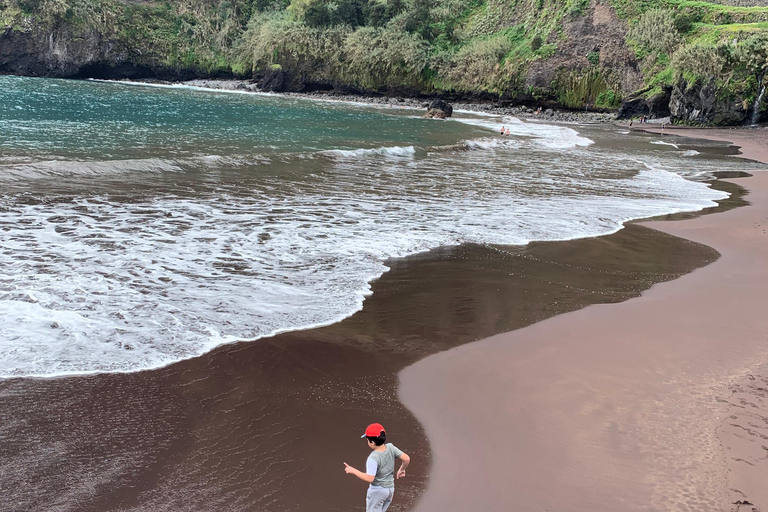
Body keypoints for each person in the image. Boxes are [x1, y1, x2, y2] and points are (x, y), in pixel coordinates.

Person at [344, 423, 410, 512]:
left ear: (372, 442)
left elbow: (370, 478)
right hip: (390, 489)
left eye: (367, 440)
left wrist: (353, 470)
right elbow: (406, 458)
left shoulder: (373, 458)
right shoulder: (391, 448)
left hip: (378, 491)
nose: (367, 442)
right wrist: (402, 469)